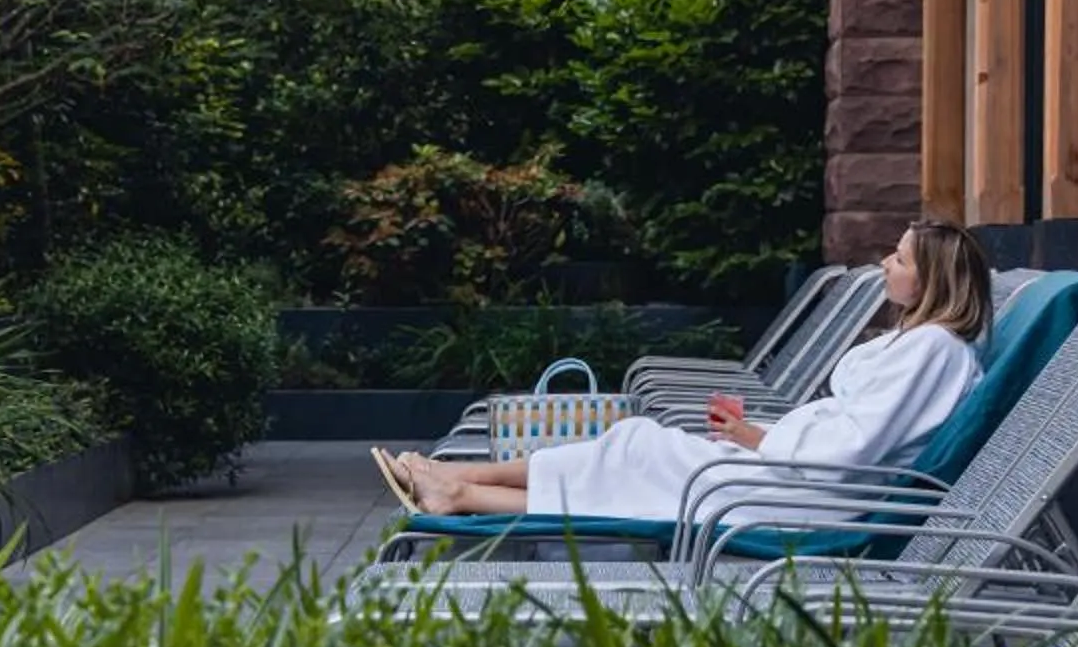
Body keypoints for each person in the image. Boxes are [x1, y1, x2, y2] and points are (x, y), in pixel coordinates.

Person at [375, 220, 994, 525]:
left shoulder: (933, 351)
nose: (885, 262)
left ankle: (461, 490)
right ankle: (458, 482)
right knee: (631, 448)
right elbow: (853, 432)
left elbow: (852, 449)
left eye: (900, 257)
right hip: (800, 478)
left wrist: (760, 438)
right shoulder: (922, 345)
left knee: (637, 452)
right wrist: (764, 434)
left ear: (933, 279)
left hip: (814, 499)